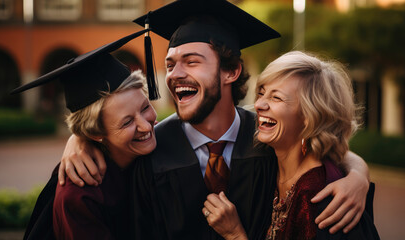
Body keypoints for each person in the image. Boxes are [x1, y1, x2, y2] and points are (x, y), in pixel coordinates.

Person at [59, 0, 371, 239]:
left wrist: (358, 173)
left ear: (230, 71)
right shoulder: (151, 152)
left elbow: (317, 147)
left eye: (191, 61)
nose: (175, 74)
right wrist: (81, 137)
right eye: (170, 65)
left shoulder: (269, 140)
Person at [202, 51, 380, 240]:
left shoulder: (325, 205)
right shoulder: (268, 161)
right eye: (261, 93)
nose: (259, 104)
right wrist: (359, 174)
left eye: (276, 98)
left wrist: (235, 235)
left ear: (311, 116)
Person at [13, 30, 159, 240]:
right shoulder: (80, 196)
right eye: (127, 122)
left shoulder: (160, 145)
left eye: (145, 107)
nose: (146, 126)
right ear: (95, 133)